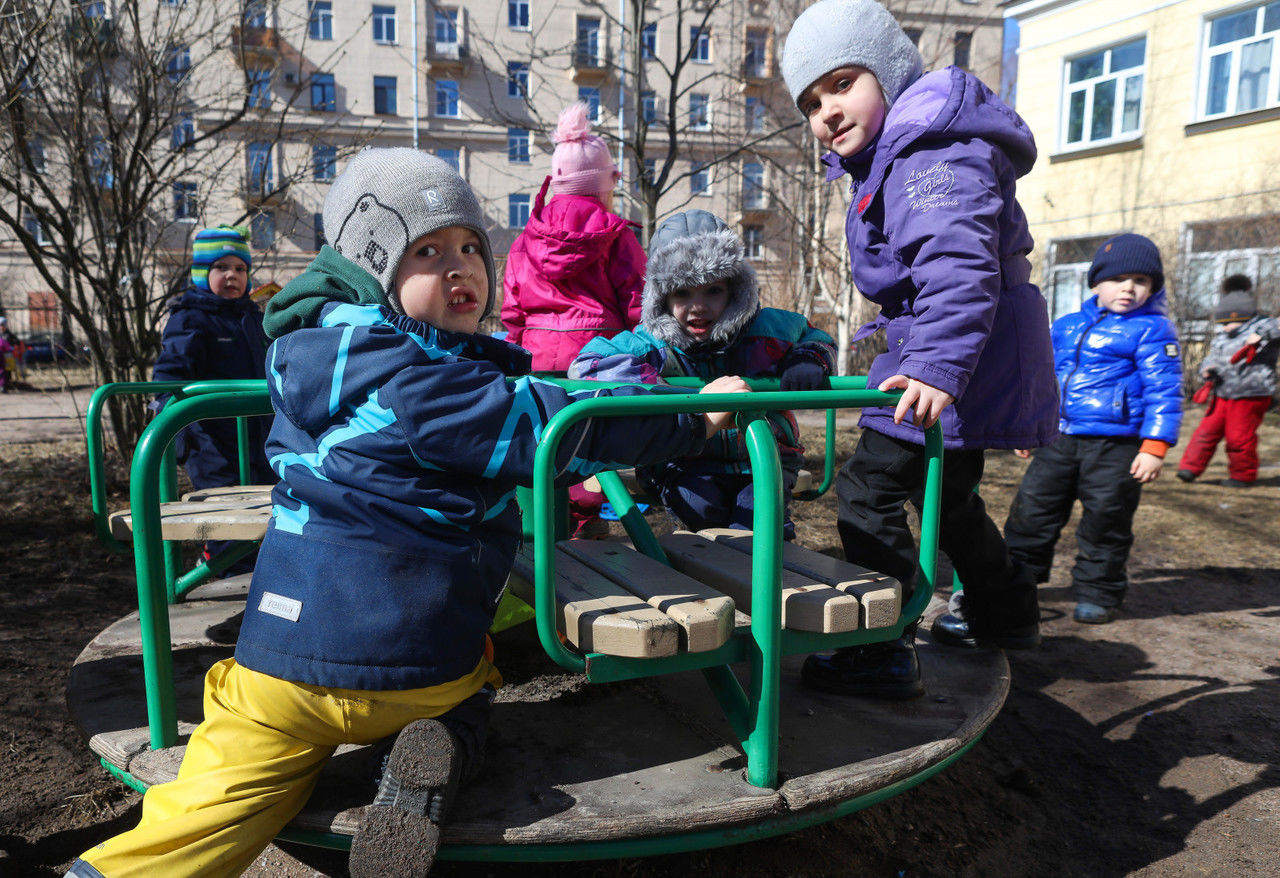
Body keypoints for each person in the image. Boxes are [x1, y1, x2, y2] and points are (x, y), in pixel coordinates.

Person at [66, 148, 749, 878]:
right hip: (417, 662)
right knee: (474, 689)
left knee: (207, 803)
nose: (460, 268)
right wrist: (697, 416)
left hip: (277, 669)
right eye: (427, 251)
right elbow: (568, 424)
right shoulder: (423, 385)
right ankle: (434, 759)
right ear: (373, 268)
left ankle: (108, 870)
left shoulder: (310, 362)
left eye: (470, 248)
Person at [780, 0, 1059, 699]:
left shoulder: (926, 150)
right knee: (952, 495)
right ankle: (1006, 611)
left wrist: (932, 362)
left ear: (892, 71)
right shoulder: (903, 153)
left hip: (952, 357)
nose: (828, 111)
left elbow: (959, 265)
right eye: (812, 102)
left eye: (843, 83)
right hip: (963, 351)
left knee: (868, 491)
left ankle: (882, 647)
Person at [569, 209, 836, 541]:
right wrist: (657, 388)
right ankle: (709, 570)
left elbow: (817, 338)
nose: (698, 306)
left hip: (764, 456)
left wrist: (807, 361)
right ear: (662, 298)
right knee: (701, 514)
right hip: (688, 458)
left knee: (758, 523)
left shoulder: (767, 329)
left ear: (735, 289)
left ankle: (762, 572)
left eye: (713, 291)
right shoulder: (655, 343)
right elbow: (588, 363)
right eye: (682, 293)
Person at [1003, 234, 1182, 625]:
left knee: (1107, 521)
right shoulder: (1066, 325)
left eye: (1141, 281)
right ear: (1097, 283)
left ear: (1152, 288)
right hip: (1058, 438)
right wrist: (1028, 425)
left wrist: (1154, 446)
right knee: (1032, 513)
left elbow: (1165, 390)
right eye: (1119, 279)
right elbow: (1041, 377)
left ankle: (1099, 592)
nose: (1129, 288)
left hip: (1116, 446)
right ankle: (1016, 587)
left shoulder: (1153, 329)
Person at [502, 101, 646, 538]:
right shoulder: (617, 234)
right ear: (603, 185)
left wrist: (517, 346)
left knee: (547, 448)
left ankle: (544, 549)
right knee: (593, 453)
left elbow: (513, 308)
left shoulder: (527, 239)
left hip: (539, 359)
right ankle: (591, 544)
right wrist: (642, 345)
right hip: (599, 360)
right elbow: (637, 299)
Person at [1175, 274, 1279, 487]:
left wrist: (1261, 333)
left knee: (1239, 437)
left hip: (1251, 393)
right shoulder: (1222, 337)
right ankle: (1189, 469)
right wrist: (1206, 369)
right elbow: (1211, 358)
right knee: (1205, 432)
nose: (1225, 327)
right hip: (1223, 392)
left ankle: (1242, 476)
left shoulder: (1264, 327)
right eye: (1221, 323)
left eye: (1228, 322)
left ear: (1242, 317)